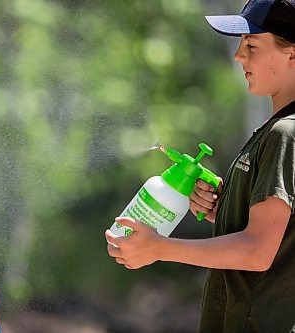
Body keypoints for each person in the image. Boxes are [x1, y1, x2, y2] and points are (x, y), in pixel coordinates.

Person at [105, 0, 295, 332]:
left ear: (292, 51)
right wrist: (227, 210)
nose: (239, 56)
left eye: (251, 44)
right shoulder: (273, 130)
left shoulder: (285, 133)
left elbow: (257, 251)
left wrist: (159, 248)